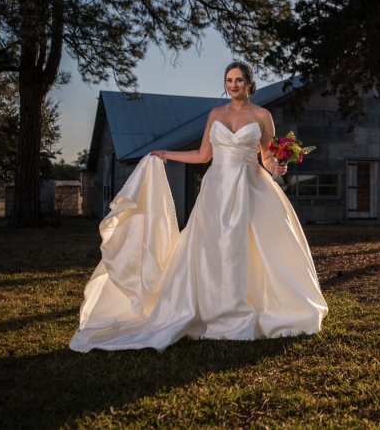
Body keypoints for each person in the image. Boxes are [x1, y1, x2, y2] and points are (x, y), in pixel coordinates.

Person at [69, 61, 328, 352]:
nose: (233, 85)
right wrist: (166, 153)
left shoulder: (262, 115)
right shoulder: (216, 114)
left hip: (251, 188)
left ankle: (249, 306)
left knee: (245, 249)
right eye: (228, 80)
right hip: (216, 188)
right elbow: (204, 155)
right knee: (211, 249)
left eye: (238, 80)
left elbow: (266, 159)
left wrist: (277, 166)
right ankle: (210, 308)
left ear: (248, 83)